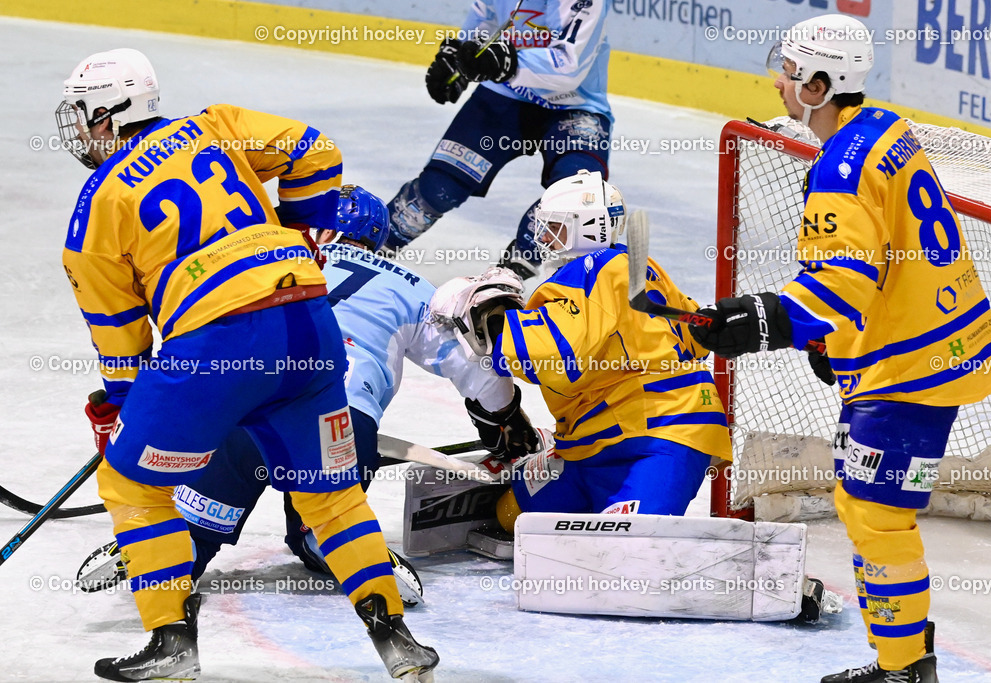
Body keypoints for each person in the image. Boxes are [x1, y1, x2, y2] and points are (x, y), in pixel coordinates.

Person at [57, 49, 437, 681]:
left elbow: (121, 341)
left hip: (219, 342)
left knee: (132, 485)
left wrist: (121, 412)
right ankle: (397, 639)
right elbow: (316, 151)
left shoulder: (94, 208)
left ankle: (171, 643)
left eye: (82, 116)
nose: (78, 131)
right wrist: (299, 234)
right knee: (331, 496)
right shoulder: (215, 126)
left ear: (109, 115)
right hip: (308, 322)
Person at [688, 15, 991, 683]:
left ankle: (905, 668)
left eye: (789, 72)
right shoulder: (886, 128)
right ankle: (905, 657)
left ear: (819, 85)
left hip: (910, 369)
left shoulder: (839, 168)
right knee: (866, 504)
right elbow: (886, 255)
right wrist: (831, 338)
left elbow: (842, 282)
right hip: (933, 344)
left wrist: (763, 321)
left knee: (877, 514)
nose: (779, 83)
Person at [77, 187, 543, 608]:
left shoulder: (267, 259)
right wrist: (504, 426)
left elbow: (198, 330)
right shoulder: (413, 289)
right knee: (324, 526)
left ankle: (168, 544)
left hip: (246, 407)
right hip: (340, 419)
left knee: (196, 526)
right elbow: (478, 372)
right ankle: (340, 548)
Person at [431, 170, 732, 530]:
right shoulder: (638, 266)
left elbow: (555, 357)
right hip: (594, 439)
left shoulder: (589, 273)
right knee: (511, 515)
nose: (545, 238)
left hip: (659, 437)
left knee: (631, 544)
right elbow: (697, 336)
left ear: (588, 227)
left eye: (555, 227)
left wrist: (492, 319)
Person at [385, 0, 614, 278]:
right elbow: (487, 17)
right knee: (439, 187)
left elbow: (569, 67)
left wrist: (504, 64)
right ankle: (365, 250)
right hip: (504, 93)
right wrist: (460, 57)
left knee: (577, 194)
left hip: (575, 106)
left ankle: (511, 274)